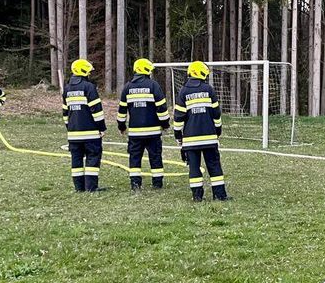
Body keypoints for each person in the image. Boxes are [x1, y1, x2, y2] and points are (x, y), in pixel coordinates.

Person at [173, 61, 229, 201]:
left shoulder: (183, 91)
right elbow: (216, 114)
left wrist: (178, 135)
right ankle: (220, 195)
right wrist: (218, 131)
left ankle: (197, 196)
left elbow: (178, 117)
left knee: (194, 168)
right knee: (214, 166)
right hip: (209, 137)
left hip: (190, 139)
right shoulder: (209, 89)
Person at [116, 58, 170, 191]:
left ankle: (135, 184)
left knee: (134, 158)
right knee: (155, 157)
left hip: (135, 133)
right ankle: (157, 183)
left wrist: (121, 126)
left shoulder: (127, 87)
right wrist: (165, 124)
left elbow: (122, 110)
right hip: (153, 132)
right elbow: (161, 108)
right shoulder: (153, 85)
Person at [62, 59, 106, 192]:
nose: (90, 74)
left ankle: (79, 187)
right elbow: (96, 110)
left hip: (73, 134)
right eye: (88, 71)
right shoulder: (89, 87)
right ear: (84, 71)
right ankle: (91, 187)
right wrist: (101, 127)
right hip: (90, 133)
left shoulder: (67, 88)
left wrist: (70, 128)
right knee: (93, 158)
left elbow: (65, 113)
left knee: (76, 160)